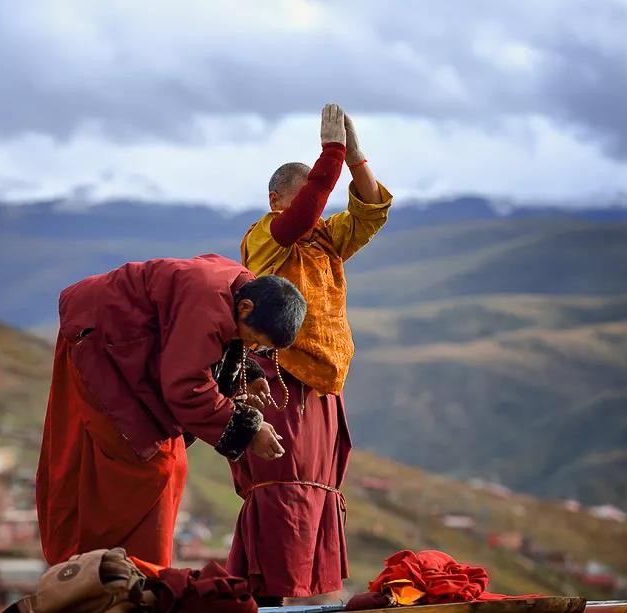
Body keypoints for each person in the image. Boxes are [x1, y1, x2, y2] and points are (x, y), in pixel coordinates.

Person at [35, 253, 307, 568]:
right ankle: (106, 568)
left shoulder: (242, 290)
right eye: (250, 339)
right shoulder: (207, 304)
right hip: (100, 343)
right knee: (145, 466)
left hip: (131, 349)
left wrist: (248, 371)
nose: (250, 347)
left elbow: (206, 341)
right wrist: (249, 430)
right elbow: (187, 387)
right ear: (246, 309)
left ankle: (142, 571)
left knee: (171, 465)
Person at [226, 104, 394, 605]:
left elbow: (370, 214)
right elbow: (301, 216)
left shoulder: (327, 238)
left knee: (318, 485)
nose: (314, 208)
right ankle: (270, 597)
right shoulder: (265, 237)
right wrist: (331, 155)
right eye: (305, 198)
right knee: (282, 485)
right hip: (275, 374)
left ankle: (303, 595)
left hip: (322, 380)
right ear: (275, 199)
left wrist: (357, 160)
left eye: (317, 198)